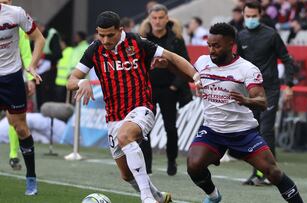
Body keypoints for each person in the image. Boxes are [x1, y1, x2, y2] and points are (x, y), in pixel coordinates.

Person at [66, 11, 199, 203]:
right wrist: (81, 83)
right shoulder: (94, 50)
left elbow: (172, 57)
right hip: (114, 116)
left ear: (120, 30)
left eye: (110, 35)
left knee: (125, 136)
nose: (105, 40)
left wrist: (196, 77)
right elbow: (71, 79)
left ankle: (147, 198)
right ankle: (159, 197)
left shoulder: (137, 42)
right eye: (101, 35)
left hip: (141, 107)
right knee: (126, 175)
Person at [187, 22, 303, 203]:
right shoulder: (202, 62)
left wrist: (247, 100)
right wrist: (167, 65)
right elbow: (186, 71)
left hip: (242, 132)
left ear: (231, 44)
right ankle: (213, 196)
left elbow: (262, 102)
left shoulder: (247, 69)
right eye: (209, 45)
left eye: (216, 46)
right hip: (213, 130)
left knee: (273, 173)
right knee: (194, 165)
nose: (212, 50)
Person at [236, 0, 298, 185]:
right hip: (250, 90)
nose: (251, 19)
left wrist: (289, 85)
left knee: (266, 130)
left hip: (270, 88)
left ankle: (269, 173)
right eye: (248, 16)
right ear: (244, 15)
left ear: (260, 15)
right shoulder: (241, 36)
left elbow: (287, 59)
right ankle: (258, 172)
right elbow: (238, 63)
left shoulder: (271, 35)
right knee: (253, 130)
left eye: (254, 16)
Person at [139, 4, 192, 176]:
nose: (157, 21)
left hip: (170, 90)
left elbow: (184, 63)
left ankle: (171, 161)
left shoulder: (176, 39)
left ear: (167, 18)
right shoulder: (143, 39)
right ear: (149, 19)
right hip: (149, 90)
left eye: (161, 17)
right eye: (154, 18)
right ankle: (147, 165)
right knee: (145, 129)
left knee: (171, 127)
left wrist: (174, 86)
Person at [0, 2, 45, 195]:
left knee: (20, 127)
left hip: (11, 77)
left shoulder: (15, 13)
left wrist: (32, 67)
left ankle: (31, 177)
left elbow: (39, 39)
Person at [0, 0, 36, 171]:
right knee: (10, 120)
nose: (2, 3)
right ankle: (13, 154)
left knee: (15, 121)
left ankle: (14, 154)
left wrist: (30, 78)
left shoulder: (16, 23)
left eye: (5, 1)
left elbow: (26, 54)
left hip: (12, 78)